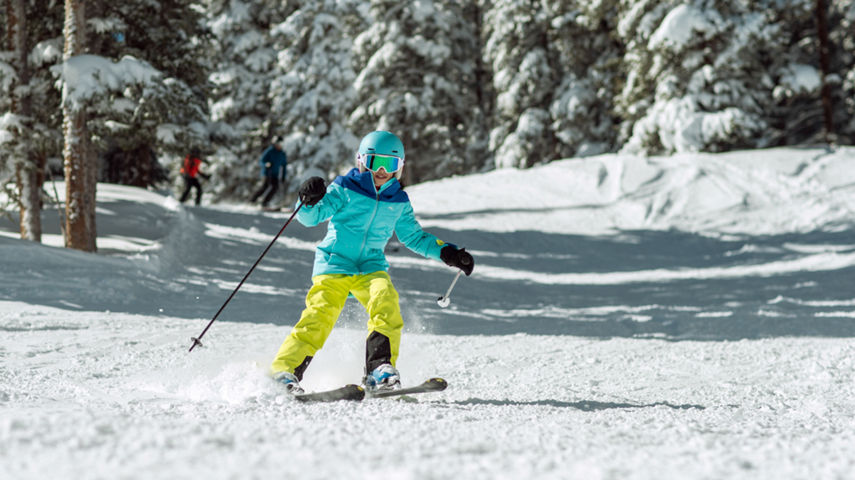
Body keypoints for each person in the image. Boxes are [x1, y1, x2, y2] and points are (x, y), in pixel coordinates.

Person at [270, 131, 474, 394]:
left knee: (385, 302)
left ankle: (379, 369)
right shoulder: (345, 188)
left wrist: (448, 252)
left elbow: (414, 237)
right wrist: (307, 201)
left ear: (398, 168)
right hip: (335, 263)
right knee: (320, 314)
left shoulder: (398, 200)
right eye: (375, 162)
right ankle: (284, 371)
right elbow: (311, 218)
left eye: (389, 165)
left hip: (370, 266)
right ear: (362, 161)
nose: (381, 170)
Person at [250, 136, 287, 208]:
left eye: (281, 143)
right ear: (275, 143)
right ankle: (252, 200)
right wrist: (266, 164)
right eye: (278, 143)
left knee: (275, 187)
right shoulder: (270, 151)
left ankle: (265, 202)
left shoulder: (282, 154)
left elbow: (284, 166)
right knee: (264, 187)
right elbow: (261, 161)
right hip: (267, 173)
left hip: (275, 174)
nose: (279, 145)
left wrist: (283, 176)